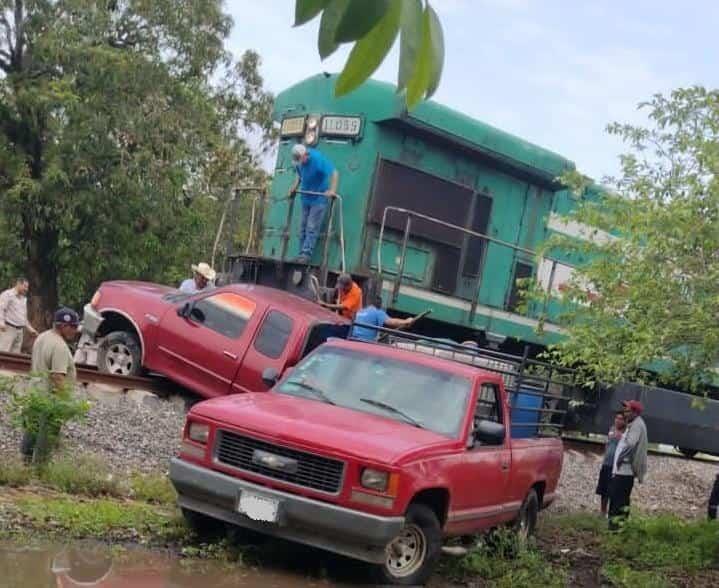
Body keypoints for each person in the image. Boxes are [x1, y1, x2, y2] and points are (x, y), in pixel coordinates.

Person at [22, 307, 80, 461]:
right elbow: (57, 377)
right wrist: (66, 401)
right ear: (63, 326)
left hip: (34, 392)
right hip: (50, 399)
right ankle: (40, 469)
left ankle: (24, 463)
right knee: (46, 437)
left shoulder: (42, 337)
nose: (75, 330)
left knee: (32, 429)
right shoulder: (60, 346)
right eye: (73, 326)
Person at [288, 144, 339, 263]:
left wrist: (332, 190)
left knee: (311, 226)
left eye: (301, 159)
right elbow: (299, 175)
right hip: (306, 197)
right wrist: (294, 187)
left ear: (306, 154)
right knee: (303, 227)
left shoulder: (317, 159)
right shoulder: (299, 163)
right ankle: (301, 254)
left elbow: (334, 173)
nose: (300, 163)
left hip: (319, 198)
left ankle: (306, 254)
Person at [608, 400, 648, 529]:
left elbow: (630, 444)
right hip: (622, 471)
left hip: (625, 471)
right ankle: (618, 528)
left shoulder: (636, 425)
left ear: (635, 412)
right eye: (625, 410)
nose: (625, 413)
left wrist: (620, 458)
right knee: (620, 500)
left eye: (628, 410)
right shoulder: (634, 423)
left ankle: (615, 529)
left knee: (618, 501)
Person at [596, 411, 627, 515]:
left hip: (615, 467)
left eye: (620, 419)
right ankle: (602, 511)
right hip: (606, 463)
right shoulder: (611, 429)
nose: (617, 420)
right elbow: (607, 444)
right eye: (616, 418)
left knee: (612, 490)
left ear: (625, 421)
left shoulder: (625, 434)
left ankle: (611, 512)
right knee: (603, 489)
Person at [351, 296, 418, 341]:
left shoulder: (360, 311)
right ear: (380, 305)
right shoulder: (377, 312)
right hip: (365, 343)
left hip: (352, 339)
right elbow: (391, 322)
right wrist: (406, 321)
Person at [0, 277, 38, 353]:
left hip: (20, 331)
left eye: (27, 287)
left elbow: (23, 317)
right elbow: (1, 309)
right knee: (4, 352)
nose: (26, 289)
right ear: (18, 284)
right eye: (25, 286)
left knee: (15, 354)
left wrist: (30, 329)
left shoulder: (24, 299)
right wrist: (1, 323)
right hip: (8, 328)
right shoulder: (7, 294)